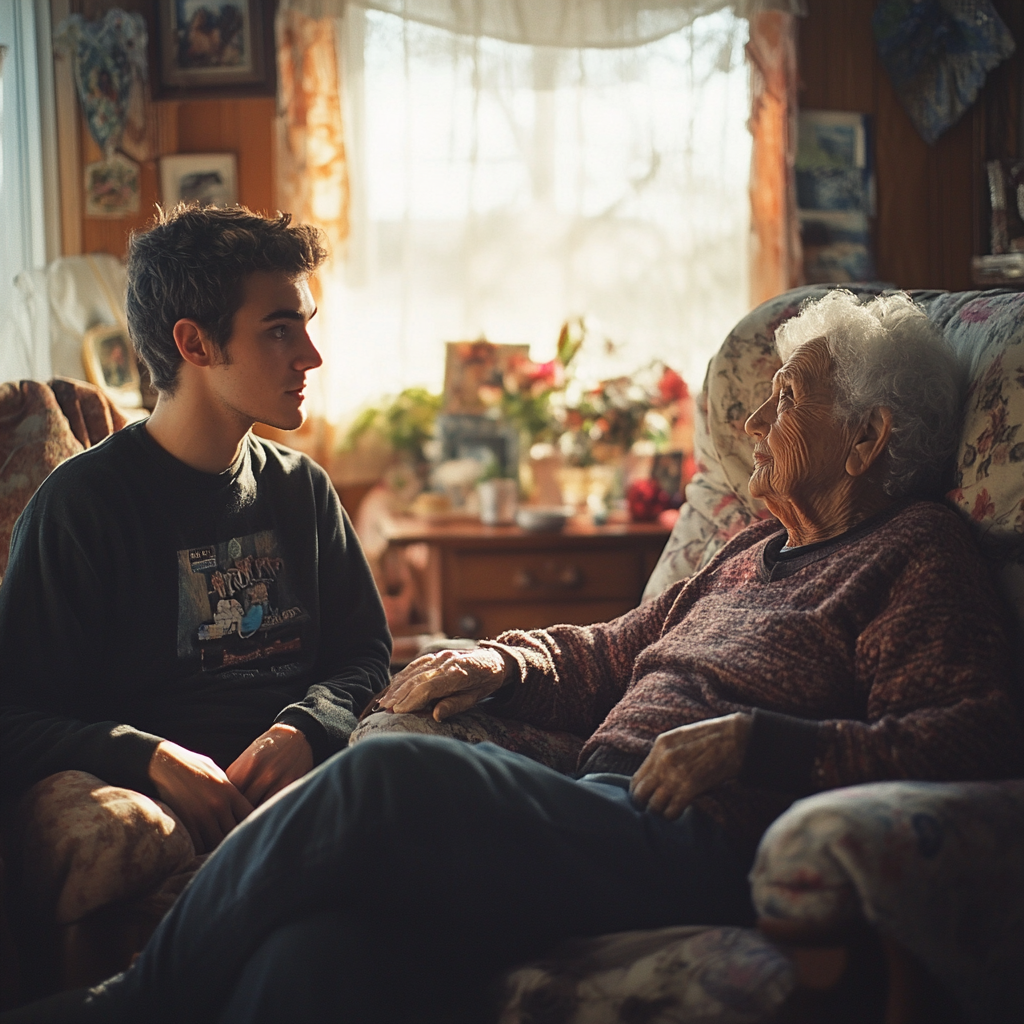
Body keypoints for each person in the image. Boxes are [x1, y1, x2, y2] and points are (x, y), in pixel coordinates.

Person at [5, 289, 1020, 1024]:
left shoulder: (916, 552)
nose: (753, 422)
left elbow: (972, 734)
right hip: (596, 800)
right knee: (318, 952)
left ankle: (133, 1002)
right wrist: (503, 664)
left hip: (697, 839)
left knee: (387, 773)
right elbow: (613, 646)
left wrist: (761, 741)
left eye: (788, 398)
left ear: (868, 438)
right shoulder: (758, 547)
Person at [0, 206, 391, 932]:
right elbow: (12, 714)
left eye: (306, 324)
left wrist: (309, 726)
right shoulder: (81, 507)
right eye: (280, 328)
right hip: (170, 814)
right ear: (194, 342)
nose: (310, 354)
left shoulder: (301, 488)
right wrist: (144, 757)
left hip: (313, 787)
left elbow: (364, 653)